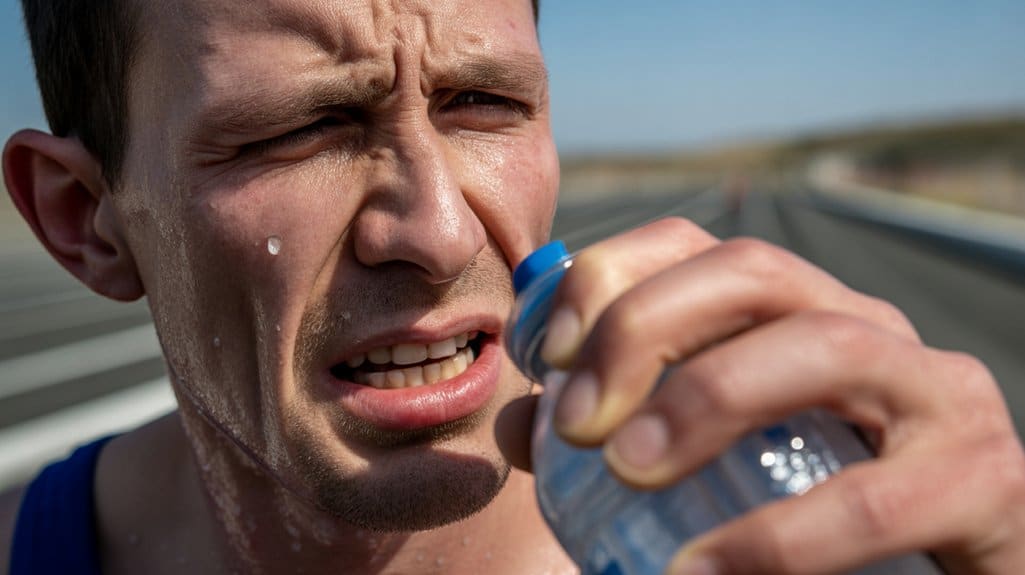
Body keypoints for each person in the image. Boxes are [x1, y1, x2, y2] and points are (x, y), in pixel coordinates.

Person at [2, 0, 1024, 573]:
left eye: (482, 102)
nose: (440, 232)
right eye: (296, 129)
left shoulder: (751, 529)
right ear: (82, 217)